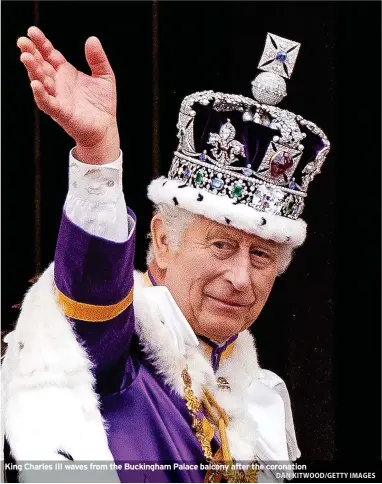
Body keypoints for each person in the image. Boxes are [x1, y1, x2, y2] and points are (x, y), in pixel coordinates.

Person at [2, 27, 330, 483]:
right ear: (162, 240)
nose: (240, 278)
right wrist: (98, 157)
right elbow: (92, 297)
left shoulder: (264, 400)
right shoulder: (116, 351)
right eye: (221, 244)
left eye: (260, 256)